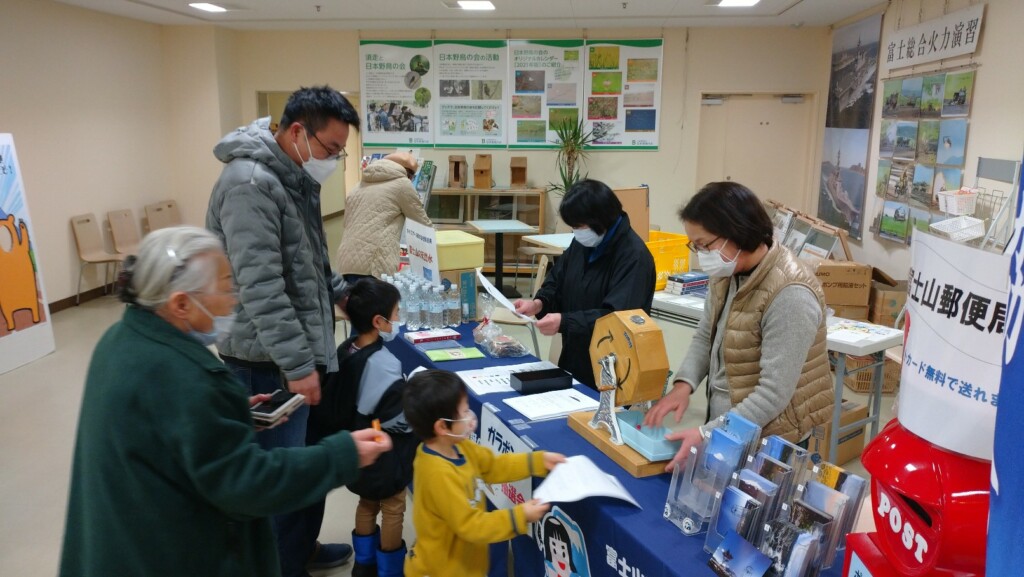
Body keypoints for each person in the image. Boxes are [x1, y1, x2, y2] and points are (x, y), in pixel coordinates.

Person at [58, 227, 393, 577]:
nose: (234, 298)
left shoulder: (121, 339)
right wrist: (342, 454)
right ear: (181, 303)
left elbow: (164, 429)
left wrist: (227, 414)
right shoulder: (183, 377)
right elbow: (248, 485)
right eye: (224, 285)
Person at [206, 85, 359, 576]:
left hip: (293, 351)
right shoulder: (250, 184)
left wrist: (342, 292)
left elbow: (310, 254)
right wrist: (297, 364)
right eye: (331, 150)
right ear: (297, 131)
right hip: (263, 360)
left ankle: (299, 549)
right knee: (277, 477)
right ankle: (279, 565)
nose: (333, 160)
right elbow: (261, 285)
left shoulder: (292, 176)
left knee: (302, 470)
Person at [643, 181, 834, 472]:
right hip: (733, 423)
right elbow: (707, 334)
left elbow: (773, 394)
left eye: (705, 244)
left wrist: (708, 433)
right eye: (694, 245)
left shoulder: (791, 293)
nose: (700, 253)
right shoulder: (727, 270)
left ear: (737, 231)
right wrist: (684, 384)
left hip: (774, 434)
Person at [402, 370, 566, 577]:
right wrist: (519, 517)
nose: (470, 417)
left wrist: (536, 461)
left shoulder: (460, 447)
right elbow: (472, 525)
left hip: (468, 564)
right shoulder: (438, 474)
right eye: (464, 411)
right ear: (442, 426)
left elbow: (494, 466)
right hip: (442, 570)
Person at [306, 278, 417, 577]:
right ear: (378, 321)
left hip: (355, 445)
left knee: (367, 502)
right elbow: (398, 417)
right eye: (395, 313)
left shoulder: (346, 349)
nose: (397, 319)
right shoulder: (383, 363)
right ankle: (390, 569)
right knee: (393, 506)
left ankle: (364, 565)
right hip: (382, 449)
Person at [514, 179, 656, 389]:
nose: (576, 232)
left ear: (601, 218)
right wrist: (539, 303)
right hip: (574, 361)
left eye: (579, 226)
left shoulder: (634, 257)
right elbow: (557, 280)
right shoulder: (584, 242)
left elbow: (617, 318)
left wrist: (565, 322)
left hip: (612, 370)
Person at [336, 151, 432, 282]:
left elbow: (346, 223)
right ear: (407, 173)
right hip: (373, 266)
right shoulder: (402, 184)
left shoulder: (357, 186)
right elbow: (422, 223)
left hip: (346, 262)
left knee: (353, 302)